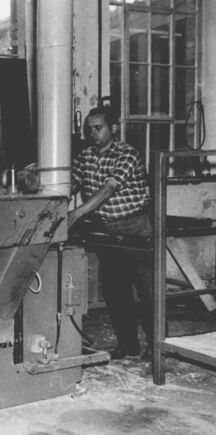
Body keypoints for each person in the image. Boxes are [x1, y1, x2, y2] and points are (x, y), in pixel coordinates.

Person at [68, 105, 153, 360]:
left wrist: (76, 214)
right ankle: (128, 346)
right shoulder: (86, 156)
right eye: (89, 129)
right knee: (116, 293)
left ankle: (157, 346)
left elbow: (108, 190)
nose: (92, 133)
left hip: (135, 229)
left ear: (113, 128)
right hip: (108, 232)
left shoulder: (126, 154)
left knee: (148, 294)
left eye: (98, 128)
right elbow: (71, 184)